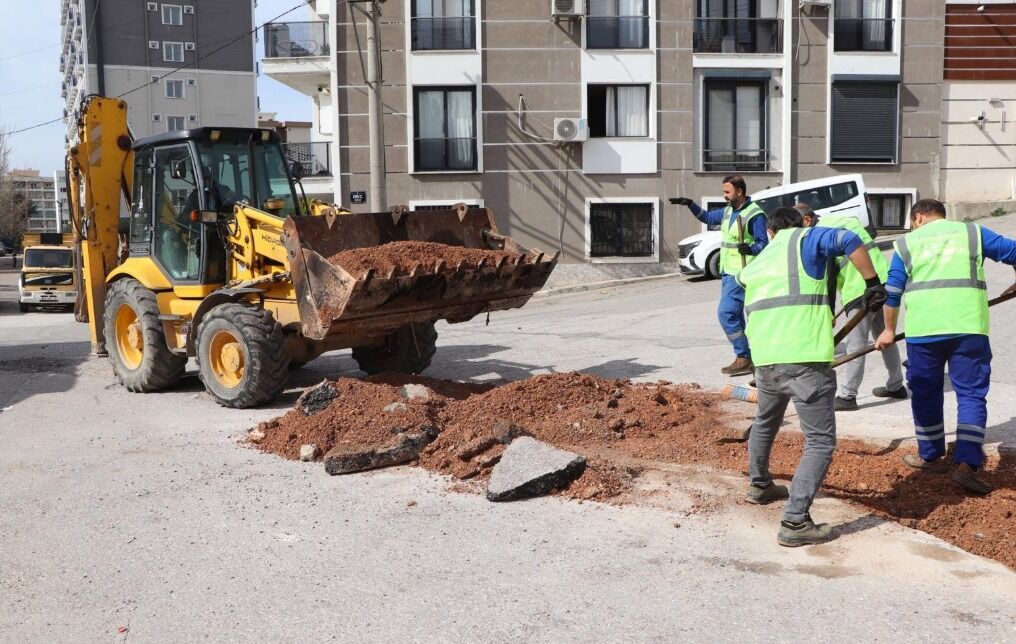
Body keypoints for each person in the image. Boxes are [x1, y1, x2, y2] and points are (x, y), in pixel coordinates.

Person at [737, 207, 886, 546]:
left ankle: (759, 485)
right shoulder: (804, 238)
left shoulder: (759, 261)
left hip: (765, 359)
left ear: (770, 232)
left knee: (765, 421)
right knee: (819, 441)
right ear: (797, 225)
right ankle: (794, 521)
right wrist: (872, 283)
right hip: (805, 359)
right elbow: (849, 238)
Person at [875, 199, 1016, 495]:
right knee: (971, 395)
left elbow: (893, 292)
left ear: (918, 217)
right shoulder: (972, 233)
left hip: (924, 333)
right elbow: (1013, 251)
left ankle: (930, 455)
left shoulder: (905, 244)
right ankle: (967, 464)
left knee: (925, 393)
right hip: (969, 329)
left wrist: (888, 331)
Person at [797, 203, 906, 411]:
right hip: (883, 282)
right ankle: (896, 384)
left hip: (860, 290)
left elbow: (827, 281)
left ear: (807, 220)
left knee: (856, 344)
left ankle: (848, 396)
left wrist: (827, 314)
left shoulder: (821, 234)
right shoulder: (843, 221)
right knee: (885, 336)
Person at [672, 176, 768, 376]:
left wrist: (750, 248)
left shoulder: (754, 214)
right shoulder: (728, 211)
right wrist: (690, 204)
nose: (724, 195)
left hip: (741, 273)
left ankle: (744, 356)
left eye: (727, 192)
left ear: (739, 192)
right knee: (735, 315)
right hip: (728, 271)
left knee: (726, 314)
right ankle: (746, 357)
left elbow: (763, 244)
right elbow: (707, 217)